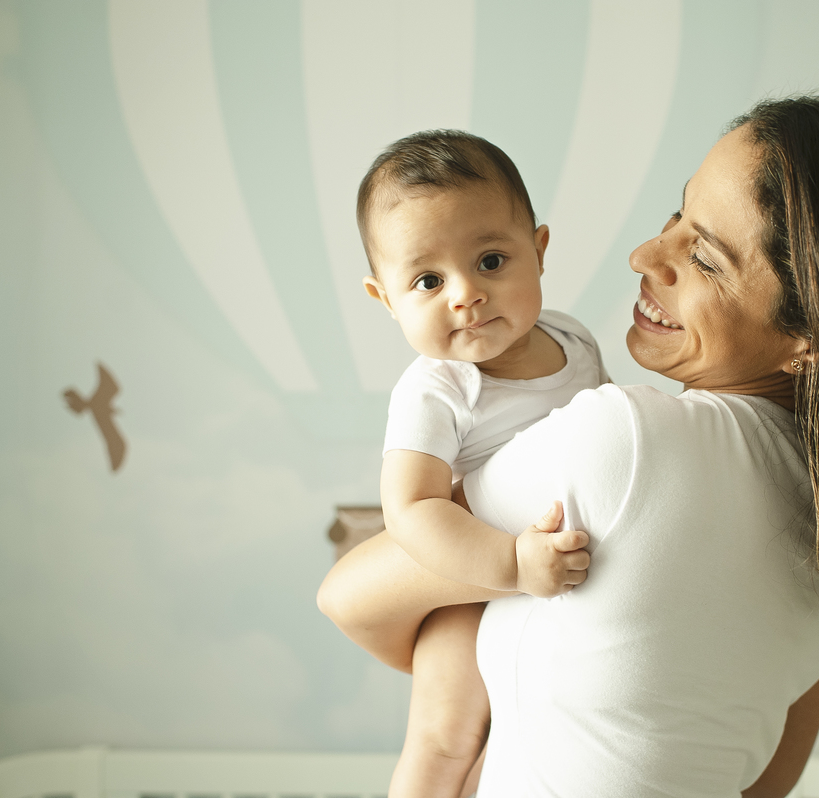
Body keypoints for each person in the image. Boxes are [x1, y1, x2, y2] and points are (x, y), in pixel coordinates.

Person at [319, 96, 819, 797]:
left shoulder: (627, 441)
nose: (646, 255)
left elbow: (348, 596)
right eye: (676, 215)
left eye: (706, 258)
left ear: (812, 335)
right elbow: (765, 783)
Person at [355, 129, 609, 795]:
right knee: (445, 740)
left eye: (491, 261)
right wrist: (510, 565)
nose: (465, 294)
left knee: (524, 744)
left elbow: (607, 431)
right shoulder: (437, 389)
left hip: (566, 577)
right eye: (428, 280)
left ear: (539, 252)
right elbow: (411, 508)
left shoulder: (573, 338)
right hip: (469, 586)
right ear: (387, 300)